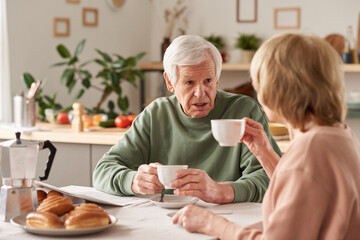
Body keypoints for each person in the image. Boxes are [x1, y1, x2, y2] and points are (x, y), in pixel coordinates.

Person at [172, 33, 360, 239]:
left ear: (278, 88)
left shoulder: (309, 151)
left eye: (258, 80)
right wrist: (264, 153)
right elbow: (301, 200)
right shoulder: (338, 133)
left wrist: (212, 223)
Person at [93, 35, 281, 204]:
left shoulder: (243, 110)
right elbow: (102, 171)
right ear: (170, 82)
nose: (200, 93)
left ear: (217, 79)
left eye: (208, 81)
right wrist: (133, 181)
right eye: (189, 82)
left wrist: (222, 191)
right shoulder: (155, 114)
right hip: (166, 221)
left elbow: (274, 178)